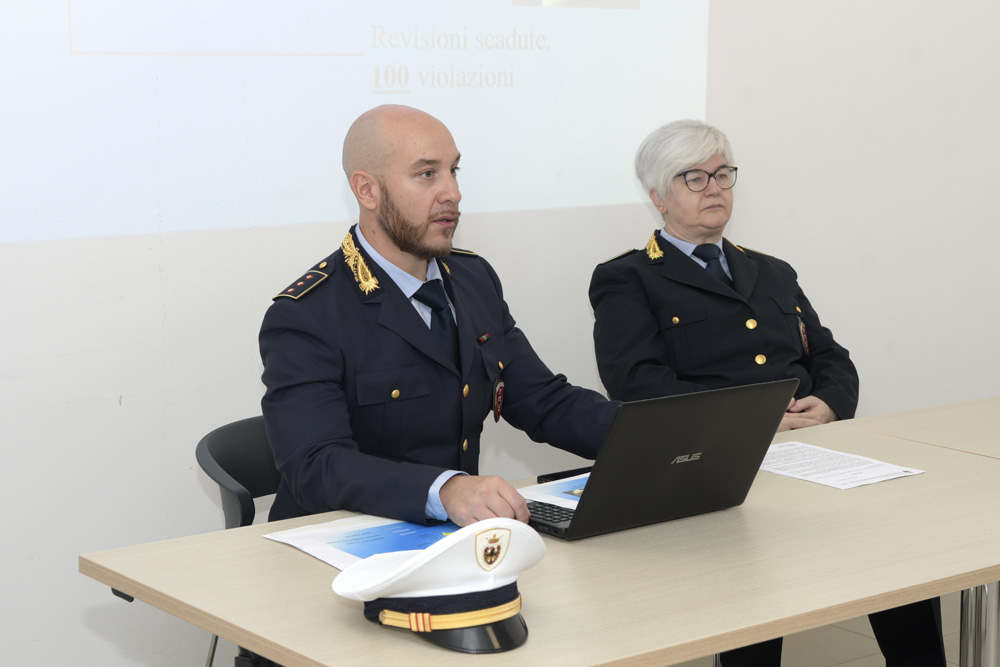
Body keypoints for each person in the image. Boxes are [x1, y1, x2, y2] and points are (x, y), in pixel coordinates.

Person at [588, 120, 944, 666]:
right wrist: (749, 423)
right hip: (723, 467)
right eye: (694, 177)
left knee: (899, 547)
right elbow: (636, 384)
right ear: (658, 197)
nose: (715, 188)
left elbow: (830, 357)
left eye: (723, 173)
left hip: (814, 454)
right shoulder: (629, 278)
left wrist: (828, 403)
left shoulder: (772, 270)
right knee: (755, 582)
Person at [259, 104, 618, 528]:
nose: (453, 193)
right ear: (367, 190)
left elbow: (543, 401)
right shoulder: (308, 314)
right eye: (427, 174)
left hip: (453, 541)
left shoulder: (473, 279)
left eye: (454, 171)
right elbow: (315, 465)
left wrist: (661, 435)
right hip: (340, 545)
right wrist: (443, 490)